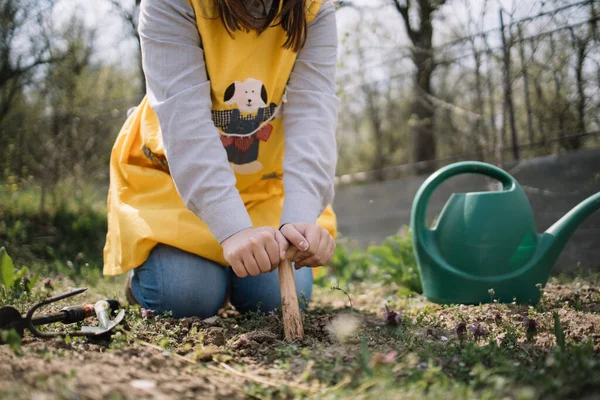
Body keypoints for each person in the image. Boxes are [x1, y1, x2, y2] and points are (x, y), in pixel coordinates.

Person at [102, 0, 339, 318]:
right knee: (184, 297)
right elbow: (186, 123)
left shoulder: (315, 8)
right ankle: (162, 273)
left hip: (261, 187)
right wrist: (232, 229)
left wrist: (299, 219)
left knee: (272, 301)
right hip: (175, 185)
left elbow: (314, 116)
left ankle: (225, 276)